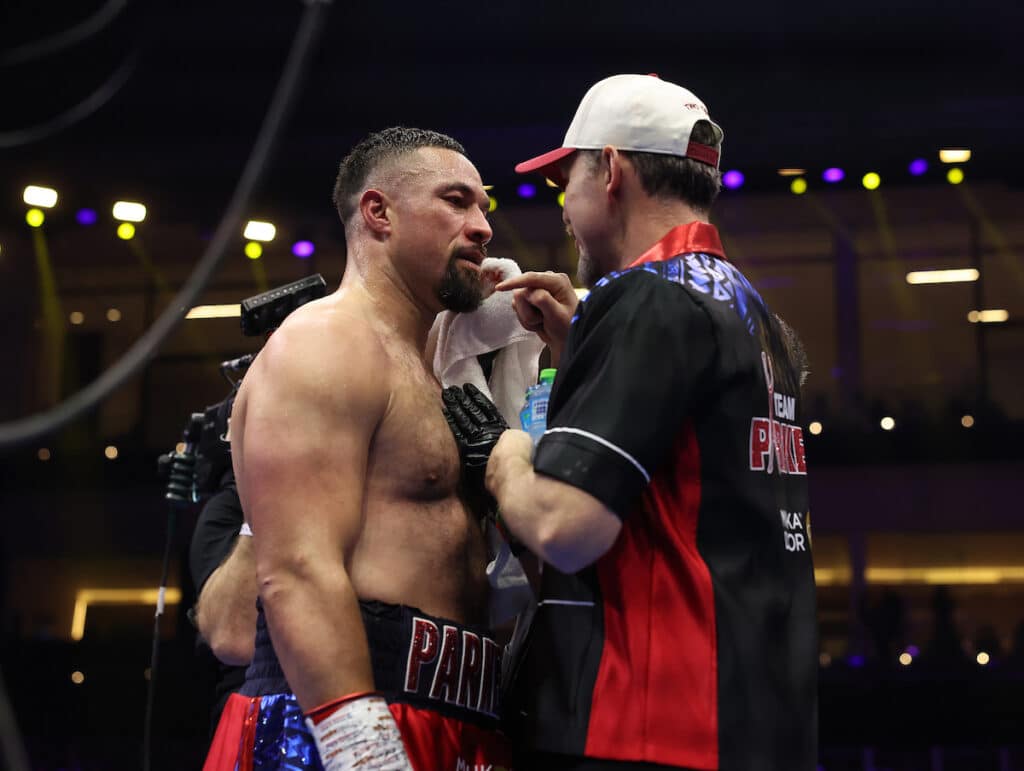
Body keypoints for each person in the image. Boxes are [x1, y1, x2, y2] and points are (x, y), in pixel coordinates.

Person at [445, 74, 817, 770]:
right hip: (757, 725)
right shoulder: (755, 314)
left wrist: (499, 450)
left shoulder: (645, 298)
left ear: (610, 169)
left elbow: (565, 526)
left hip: (646, 727)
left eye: (567, 176)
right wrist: (581, 350)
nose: (561, 202)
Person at [202, 127, 513, 771]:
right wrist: (361, 750)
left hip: (455, 714)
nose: (481, 226)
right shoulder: (326, 342)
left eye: (484, 206)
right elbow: (297, 570)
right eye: (456, 201)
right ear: (378, 213)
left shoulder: (444, 374)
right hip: (333, 720)